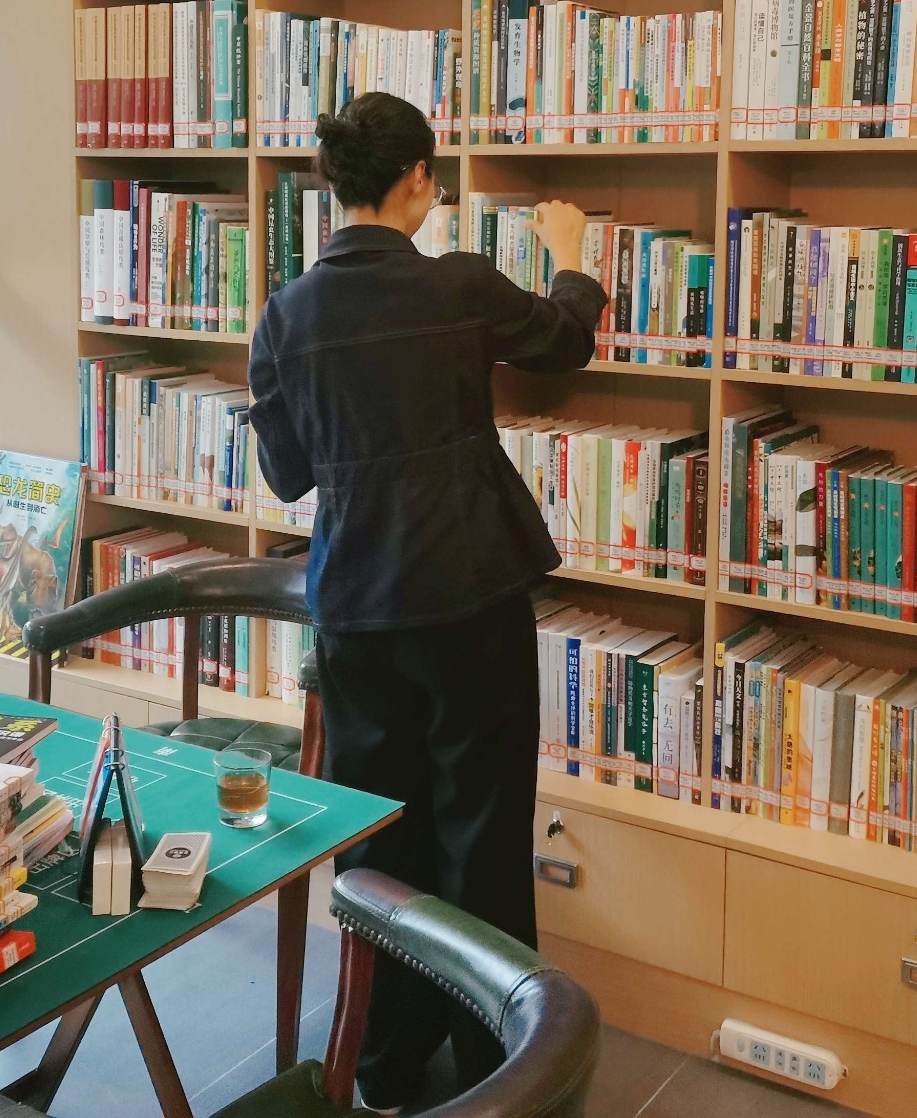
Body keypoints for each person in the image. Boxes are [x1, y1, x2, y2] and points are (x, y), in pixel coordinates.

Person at [247, 91, 604, 1111]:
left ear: (335, 184)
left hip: (356, 607)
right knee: (480, 831)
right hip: (468, 595)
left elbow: (286, 474)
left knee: (377, 840)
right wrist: (572, 258)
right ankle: (498, 1070)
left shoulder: (286, 313)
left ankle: (384, 1063)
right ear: (417, 180)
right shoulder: (457, 284)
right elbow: (560, 341)